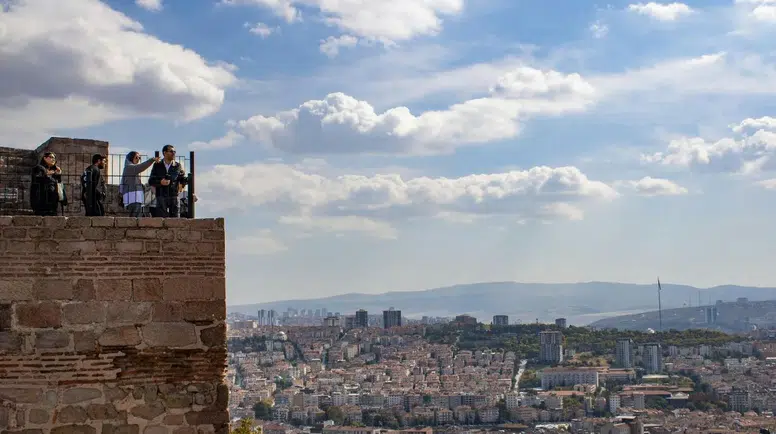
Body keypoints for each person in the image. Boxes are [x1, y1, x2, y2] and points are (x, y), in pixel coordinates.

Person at [148, 145, 187, 217]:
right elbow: (151, 180)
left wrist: (182, 184)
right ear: (164, 153)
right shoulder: (157, 165)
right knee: (161, 220)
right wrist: (160, 182)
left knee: (175, 220)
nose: (174, 153)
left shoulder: (177, 165)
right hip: (161, 195)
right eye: (171, 151)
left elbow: (176, 177)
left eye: (174, 151)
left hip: (174, 196)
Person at [120, 151, 159, 217]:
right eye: (136, 157)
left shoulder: (130, 169)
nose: (138, 159)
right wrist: (152, 160)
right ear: (130, 158)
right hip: (133, 198)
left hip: (136, 198)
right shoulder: (129, 167)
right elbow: (141, 167)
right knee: (135, 218)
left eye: (139, 158)